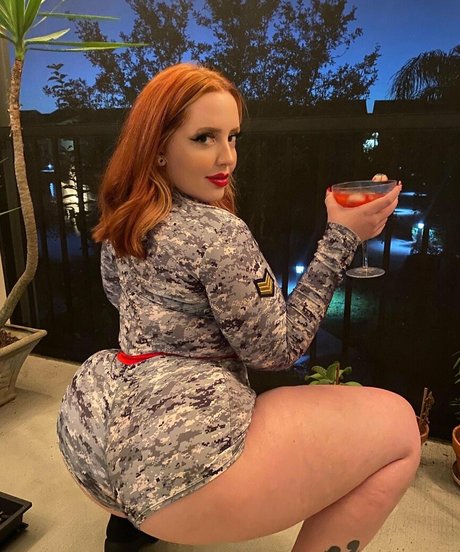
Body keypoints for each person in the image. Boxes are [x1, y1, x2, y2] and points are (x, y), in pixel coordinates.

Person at [57, 62, 420, 552]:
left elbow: (120, 298)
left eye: (232, 137)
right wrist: (342, 238)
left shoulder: (125, 219)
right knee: (401, 428)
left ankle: (127, 533)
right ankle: (154, 514)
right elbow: (277, 351)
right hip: (173, 477)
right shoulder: (220, 233)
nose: (226, 156)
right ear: (157, 147)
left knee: (159, 395)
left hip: (92, 451)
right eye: (204, 138)